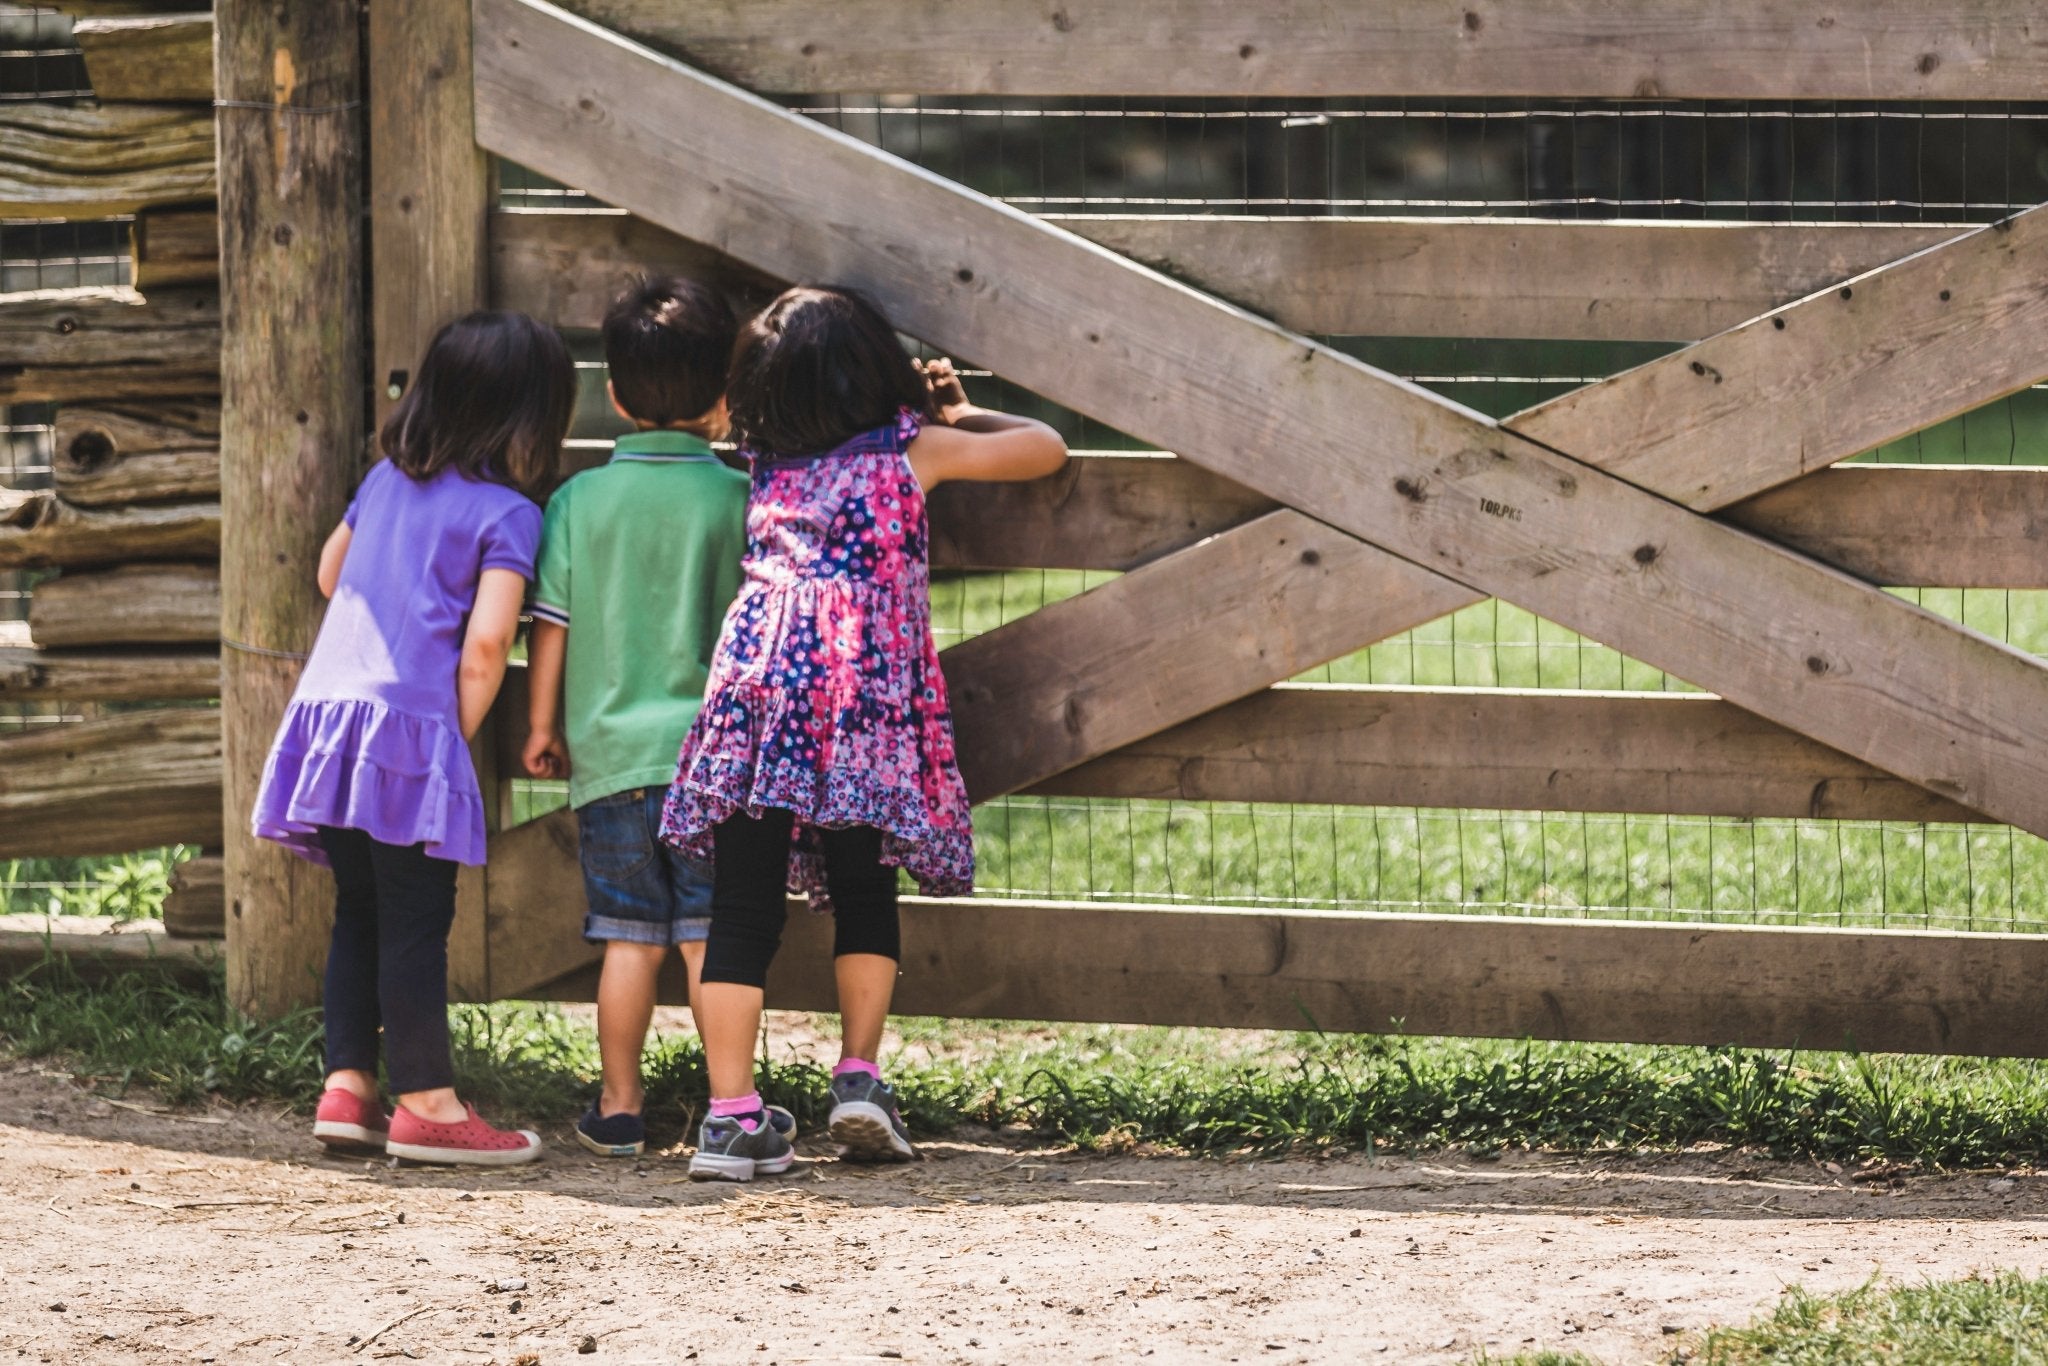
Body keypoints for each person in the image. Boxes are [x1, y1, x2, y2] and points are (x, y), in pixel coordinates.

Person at [661, 285, 1069, 1182]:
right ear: (873, 373)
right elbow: (1046, 451)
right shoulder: (909, 451)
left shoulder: (765, 462)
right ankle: (857, 1079)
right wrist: (959, 408)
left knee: (740, 905)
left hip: (757, 692)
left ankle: (729, 1119)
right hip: (857, 699)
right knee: (863, 885)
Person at [251, 310, 574, 1167]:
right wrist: (446, 745)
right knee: (417, 923)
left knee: (357, 910)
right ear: (534, 417)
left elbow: (329, 573)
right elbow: (485, 648)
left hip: (327, 723)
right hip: (408, 733)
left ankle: (348, 1088)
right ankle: (428, 1104)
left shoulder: (385, 482)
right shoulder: (510, 514)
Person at [522, 276, 792, 1158]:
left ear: (614, 393)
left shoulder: (577, 504)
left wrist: (540, 728)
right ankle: (730, 1103)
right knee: (710, 934)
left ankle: (620, 1105)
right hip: (713, 765)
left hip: (608, 758)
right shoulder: (739, 498)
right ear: (725, 395)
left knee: (628, 938)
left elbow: (550, 628)